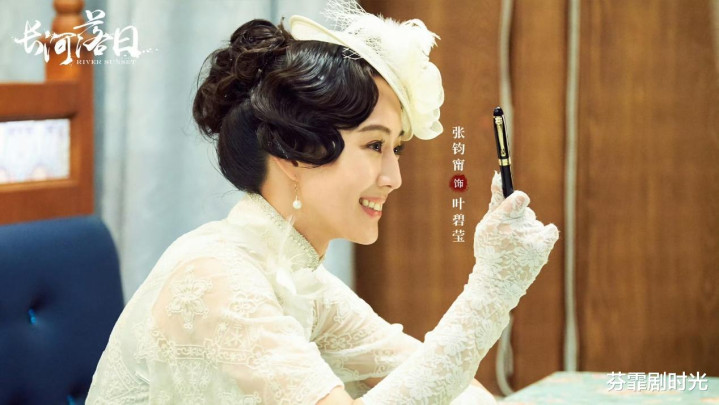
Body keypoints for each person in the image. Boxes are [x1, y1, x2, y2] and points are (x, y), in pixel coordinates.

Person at [87, 1, 559, 404]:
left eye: (396, 149)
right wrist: (490, 291)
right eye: (374, 145)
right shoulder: (218, 279)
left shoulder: (295, 274)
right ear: (293, 152)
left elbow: (435, 379)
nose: (394, 178)